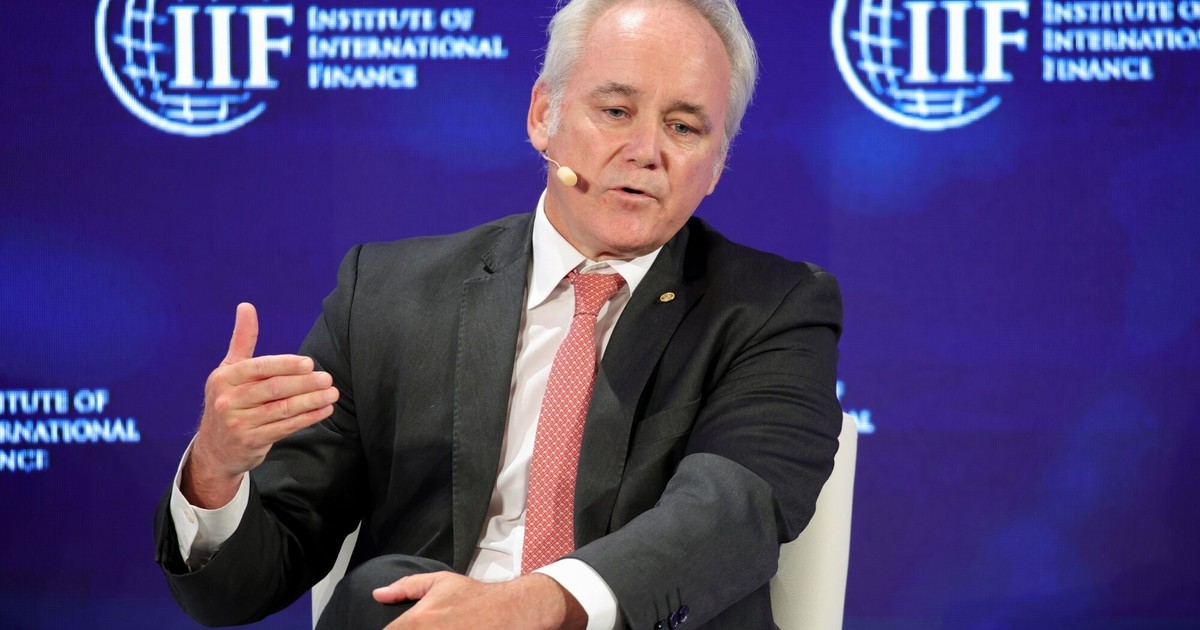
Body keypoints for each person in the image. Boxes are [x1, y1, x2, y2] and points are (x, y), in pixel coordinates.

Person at [153, 0, 843, 628]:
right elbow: (240, 588)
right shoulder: (388, 295)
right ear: (544, 115)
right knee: (381, 591)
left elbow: (728, 514)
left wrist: (528, 604)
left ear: (716, 165)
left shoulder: (772, 308)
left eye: (684, 127)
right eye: (615, 111)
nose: (646, 152)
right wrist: (216, 470)